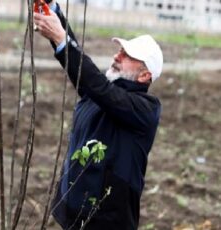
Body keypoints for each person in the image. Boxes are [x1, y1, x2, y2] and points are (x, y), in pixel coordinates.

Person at [34, 1, 163, 229]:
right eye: (121, 50)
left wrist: (61, 37)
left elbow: (99, 88)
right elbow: (86, 75)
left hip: (106, 222)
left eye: (128, 56)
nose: (117, 56)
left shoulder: (146, 109)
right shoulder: (101, 93)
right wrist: (53, 9)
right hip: (73, 214)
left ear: (145, 76)